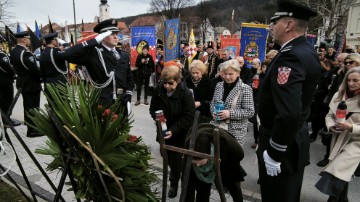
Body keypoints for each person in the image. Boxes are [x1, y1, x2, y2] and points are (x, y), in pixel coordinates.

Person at [256, 1, 321, 201]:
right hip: (292, 137)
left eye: (274, 22)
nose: (271, 27)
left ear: (289, 24)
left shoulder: (289, 56)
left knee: (277, 195)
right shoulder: (305, 50)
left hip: (281, 140)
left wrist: (275, 152)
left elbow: (289, 112)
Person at [61, 19, 134, 112]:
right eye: (112, 34)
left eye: (116, 33)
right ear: (103, 36)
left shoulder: (123, 55)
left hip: (122, 101)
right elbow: (67, 55)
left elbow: (129, 79)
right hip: (103, 103)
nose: (116, 37)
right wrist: (94, 41)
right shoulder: (93, 54)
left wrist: (128, 98)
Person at [315, 66, 360, 202]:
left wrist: (351, 127)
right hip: (337, 138)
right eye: (349, 80)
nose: (351, 83)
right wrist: (331, 126)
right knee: (342, 173)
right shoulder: (338, 95)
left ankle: (333, 199)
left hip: (355, 142)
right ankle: (341, 199)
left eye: (356, 80)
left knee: (337, 170)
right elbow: (329, 116)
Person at [149, 65, 195, 198]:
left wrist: (173, 130)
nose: (167, 86)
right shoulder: (158, 91)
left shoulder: (186, 94)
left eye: (171, 83)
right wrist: (158, 119)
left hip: (179, 133)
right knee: (165, 156)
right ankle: (175, 175)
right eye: (165, 83)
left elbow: (188, 116)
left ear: (178, 81)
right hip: (163, 131)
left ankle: (174, 183)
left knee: (176, 161)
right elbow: (153, 109)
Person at [184, 123, 247, 202]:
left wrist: (221, 177)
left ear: (210, 153)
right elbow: (187, 181)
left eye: (200, 162)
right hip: (208, 158)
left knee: (234, 186)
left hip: (227, 161)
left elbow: (240, 155)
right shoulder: (189, 142)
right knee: (202, 189)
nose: (198, 165)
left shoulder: (225, 142)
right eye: (194, 163)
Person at [317, 53, 357, 167]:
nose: (347, 65)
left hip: (354, 136)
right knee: (333, 137)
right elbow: (334, 92)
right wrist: (330, 123)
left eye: (350, 62)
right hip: (339, 111)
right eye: (345, 62)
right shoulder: (339, 74)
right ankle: (328, 157)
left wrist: (352, 127)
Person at [210, 59, 255, 145]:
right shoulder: (219, 85)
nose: (227, 77)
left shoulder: (245, 88)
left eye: (230, 74)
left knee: (231, 158)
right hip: (217, 127)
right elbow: (213, 103)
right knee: (216, 156)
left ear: (238, 73)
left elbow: (250, 111)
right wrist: (213, 112)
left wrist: (229, 114)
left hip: (235, 132)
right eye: (225, 74)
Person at [10, 31, 43, 137]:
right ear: (24, 40)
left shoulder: (14, 51)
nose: (30, 41)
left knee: (28, 106)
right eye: (28, 39)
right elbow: (35, 70)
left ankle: (32, 128)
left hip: (22, 82)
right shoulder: (26, 53)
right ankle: (32, 130)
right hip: (31, 83)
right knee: (33, 107)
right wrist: (41, 77)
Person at [0, 44, 19, 126]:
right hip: (5, 82)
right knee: (7, 102)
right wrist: (14, 73)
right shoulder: (1, 55)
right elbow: (7, 67)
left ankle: (4, 119)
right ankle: (7, 120)